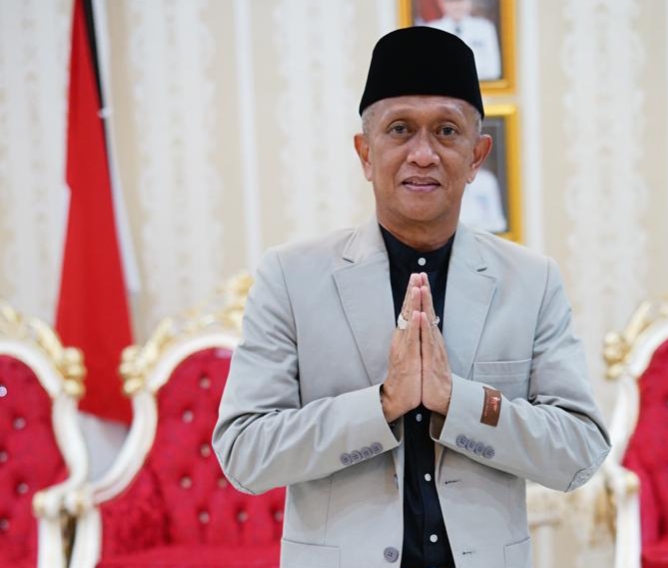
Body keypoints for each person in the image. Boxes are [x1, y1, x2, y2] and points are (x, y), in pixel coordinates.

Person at [213, 26, 610, 568]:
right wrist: (382, 404)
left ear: (477, 156)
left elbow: (580, 449)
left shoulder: (531, 281)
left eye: (446, 131)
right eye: (400, 129)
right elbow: (244, 452)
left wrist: (458, 401)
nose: (423, 154)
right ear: (365, 153)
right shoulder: (291, 276)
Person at [424, 0, 501, 80]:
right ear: (441, 3)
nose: (457, 6)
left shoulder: (485, 28)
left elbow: (493, 68)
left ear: (470, 2)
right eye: (451, 1)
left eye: (461, 1)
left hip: (481, 83)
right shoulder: (430, 30)